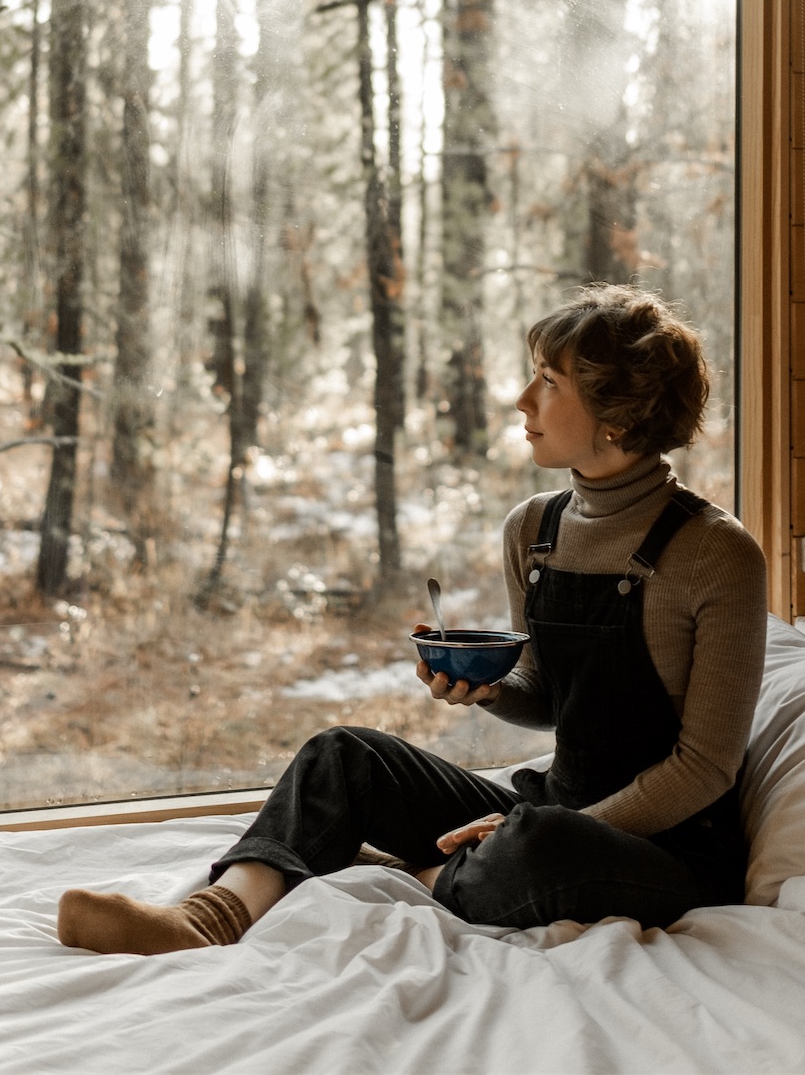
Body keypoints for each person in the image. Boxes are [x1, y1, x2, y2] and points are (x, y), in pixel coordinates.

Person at [57, 285, 767, 955]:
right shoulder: (535, 530)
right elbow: (550, 696)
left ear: (621, 412)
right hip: (549, 808)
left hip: (664, 850)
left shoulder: (717, 554)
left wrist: (550, 827)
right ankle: (205, 919)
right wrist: (487, 687)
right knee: (343, 757)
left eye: (549, 382)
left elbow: (705, 768)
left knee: (535, 848)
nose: (522, 400)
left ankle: (396, 870)